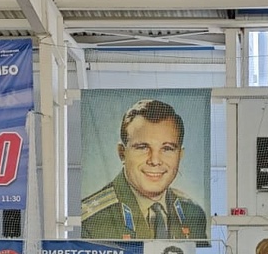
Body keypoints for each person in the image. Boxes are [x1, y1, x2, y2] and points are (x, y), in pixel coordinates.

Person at [80, 98, 208, 239]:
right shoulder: (90, 222)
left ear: (180, 155)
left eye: (167, 149)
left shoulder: (193, 213)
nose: (155, 161)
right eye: (143, 147)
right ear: (122, 153)